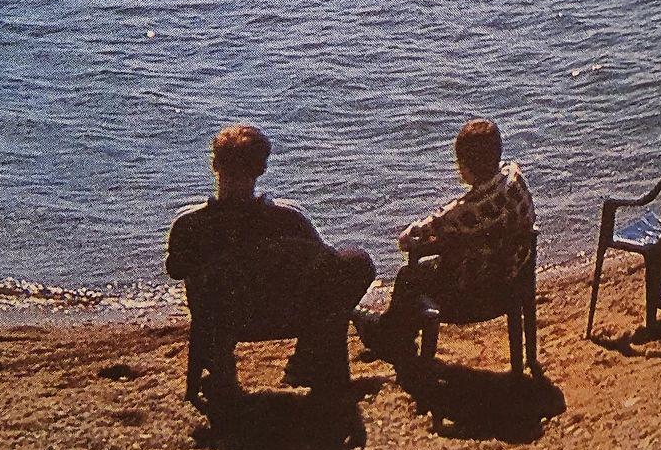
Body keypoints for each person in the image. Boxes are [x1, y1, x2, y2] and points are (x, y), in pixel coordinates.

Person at [166, 124, 375, 401]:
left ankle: (221, 369)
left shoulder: (190, 224)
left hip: (225, 320)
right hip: (290, 315)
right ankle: (308, 358)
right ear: (262, 168)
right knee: (354, 261)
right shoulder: (289, 219)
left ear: (215, 165)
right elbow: (324, 263)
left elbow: (175, 270)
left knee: (210, 295)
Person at [358, 118, 534, 361]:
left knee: (408, 276)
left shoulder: (465, 214)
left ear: (466, 168)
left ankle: (390, 337)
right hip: (514, 274)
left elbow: (428, 232)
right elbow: (473, 202)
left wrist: (410, 236)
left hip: (476, 287)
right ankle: (392, 334)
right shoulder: (515, 177)